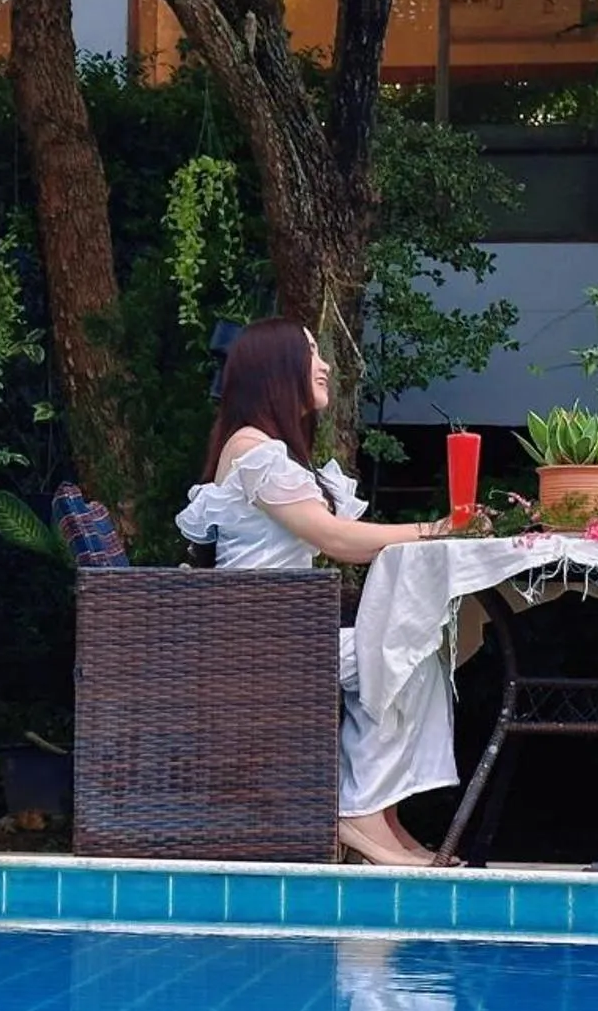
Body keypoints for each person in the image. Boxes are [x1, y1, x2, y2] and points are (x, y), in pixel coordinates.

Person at [176, 318, 458, 867]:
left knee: (415, 653)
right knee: (409, 656)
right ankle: (359, 811)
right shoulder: (254, 450)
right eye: (309, 352)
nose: (324, 363)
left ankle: (380, 815)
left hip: (282, 632)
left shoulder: (269, 451)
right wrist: (436, 529)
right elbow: (333, 538)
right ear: (276, 368)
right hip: (261, 642)